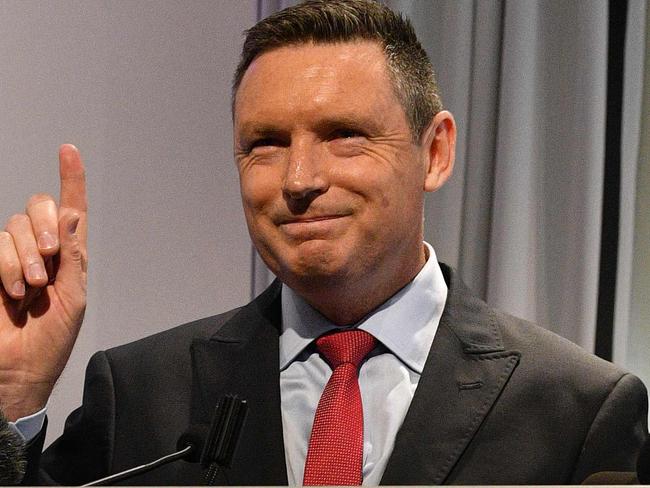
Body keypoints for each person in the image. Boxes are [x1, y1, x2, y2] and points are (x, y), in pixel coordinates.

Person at [0, 0, 647, 485]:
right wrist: (15, 395)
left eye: (344, 134)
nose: (300, 180)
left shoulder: (577, 409)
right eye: (266, 144)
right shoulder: (142, 392)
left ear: (436, 152)